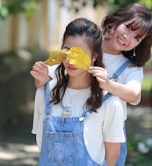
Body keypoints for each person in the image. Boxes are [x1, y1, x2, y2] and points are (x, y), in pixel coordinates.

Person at [32, 3, 152, 165]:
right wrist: (40, 80)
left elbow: (134, 94)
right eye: (127, 28)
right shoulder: (85, 40)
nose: (128, 37)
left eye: (137, 37)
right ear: (115, 22)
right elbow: (49, 77)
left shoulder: (130, 68)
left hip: (108, 134)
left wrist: (108, 84)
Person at [31, 18, 126, 166]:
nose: (70, 60)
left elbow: (113, 156)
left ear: (94, 56)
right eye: (67, 51)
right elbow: (41, 143)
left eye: (79, 53)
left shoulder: (109, 102)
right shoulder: (46, 92)